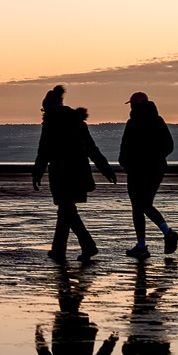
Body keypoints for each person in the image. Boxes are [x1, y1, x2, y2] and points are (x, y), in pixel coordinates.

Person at [31, 85, 116, 261]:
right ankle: (61, 250)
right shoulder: (77, 121)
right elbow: (91, 148)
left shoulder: (51, 123)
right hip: (78, 173)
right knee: (66, 211)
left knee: (67, 211)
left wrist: (37, 173)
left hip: (61, 174)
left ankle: (86, 246)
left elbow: (43, 151)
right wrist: (105, 168)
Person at [117, 91, 178, 257]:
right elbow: (169, 146)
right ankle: (163, 234)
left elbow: (125, 147)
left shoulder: (133, 123)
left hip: (138, 170)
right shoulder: (157, 121)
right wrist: (155, 159)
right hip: (155, 170)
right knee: (145, 204)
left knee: (139, 206)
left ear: (135, 105)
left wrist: (127, 162)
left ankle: (145, 244)